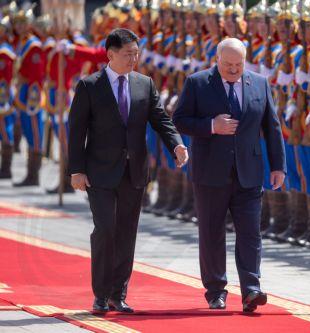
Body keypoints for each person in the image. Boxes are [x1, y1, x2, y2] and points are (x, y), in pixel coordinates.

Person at [68, 28, 188, 314]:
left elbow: (160, 119)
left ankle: (117, 293)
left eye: (136, 54)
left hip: (134, 171)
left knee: (126, 233)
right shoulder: (89, 86)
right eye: (127, 54)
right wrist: (76, 170)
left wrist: (177, 145)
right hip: (99, 172)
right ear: (110, 54)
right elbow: (76, 131)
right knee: (105, 229)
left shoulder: (144, 84)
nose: (133, 59)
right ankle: (100, 293)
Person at [173, 37, 286, 312]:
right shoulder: (198, 83)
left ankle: (251, 288)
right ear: (217, 60)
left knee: (250, 233)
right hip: (210, 173)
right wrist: (211, 126)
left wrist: (278, 166)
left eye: (239, 64)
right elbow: (180, 119)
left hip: (249, 172)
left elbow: (272, 126)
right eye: (228, 64)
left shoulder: (259, 83)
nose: (234, 70)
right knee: (212, 233)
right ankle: (215, 290)